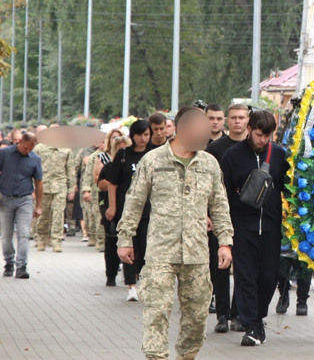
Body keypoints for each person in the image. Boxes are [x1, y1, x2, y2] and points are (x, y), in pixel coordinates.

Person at [117, 106, 234, 360]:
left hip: (197, 253)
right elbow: (134, 200)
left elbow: (219, 204)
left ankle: (186, 355)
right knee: (157, 311)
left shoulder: (209, 163)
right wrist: (125, 238)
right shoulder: (153, 160)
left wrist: (225, 242)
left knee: (196, 316)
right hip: (161, 251)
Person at [221, 110, 289, 347]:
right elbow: (224, 193)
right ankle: (251, 325)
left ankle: (258, 317)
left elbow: (286, 189)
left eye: (267, 136)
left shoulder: (279, 155)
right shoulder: (232, 156)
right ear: (249, 129)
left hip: (271, 226)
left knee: (268, 277)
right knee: (246, 276)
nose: (263, 140)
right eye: (259, 135)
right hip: (243, 226)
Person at [205, 103, 250, 333]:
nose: (237, 121)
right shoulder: (215, 149)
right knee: (220, 265)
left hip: (244, 215)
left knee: (243, 266)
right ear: (227, 120)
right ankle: (222, 313)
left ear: (247, 119)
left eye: (242, 117)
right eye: (233, 117)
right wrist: (206, 213)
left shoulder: (253, 147)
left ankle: (237, 313)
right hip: (219, 214)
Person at [106, 120, 152, 300]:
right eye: (140, 134)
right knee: (127, 246)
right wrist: (112, 206)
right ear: (132, 135)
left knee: (144, 247)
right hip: (127, 210)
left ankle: (141, 278)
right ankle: (131, 285)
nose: (143, 138)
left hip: (149, 210)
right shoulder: (124, 154)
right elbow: (112, 182)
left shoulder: (153, 155)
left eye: (146, 134)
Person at [0, 132, 43, 279]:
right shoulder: (4, 153)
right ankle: (9, 262)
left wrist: (39, 205)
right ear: (19, 141)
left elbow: (39, 183)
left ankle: (21, 266)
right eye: (25, 148)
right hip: (5, 198)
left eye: (30, 149)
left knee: (24, 233)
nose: (27, 151)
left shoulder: (35, 159)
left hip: (25, 199)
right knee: (6, 235)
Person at [95, 129, 130, 286]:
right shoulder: (109, 167)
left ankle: (132, 275)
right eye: (120, 149)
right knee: (112, 241)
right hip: (111, 208)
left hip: (130, 208)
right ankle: (111, 274)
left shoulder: (135, 167)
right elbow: (101, 183)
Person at [33, 139, 76, 253]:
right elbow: (32, 167)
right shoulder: (39, 148)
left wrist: (72, 188)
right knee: (43, 214)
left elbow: (71, 169)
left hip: (60, 185)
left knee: (58, 213)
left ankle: (57, 240)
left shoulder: (66, 149)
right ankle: (41, 238)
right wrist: (32, 187)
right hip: (43, 185)